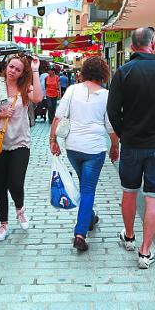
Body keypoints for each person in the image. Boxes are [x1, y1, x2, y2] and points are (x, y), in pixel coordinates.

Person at [107, 27, 155, 269]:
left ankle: (129, 237)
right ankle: (145, 252)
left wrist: (123, 134)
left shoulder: (123, 72)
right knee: (153, 199)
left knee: (129, 192)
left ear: (132, 47)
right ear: (153, 44)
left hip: (132, 144)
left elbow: (112, 111)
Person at [49, 57, 119, 252]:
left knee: (84, 185)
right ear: (104, 73)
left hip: (73, 147)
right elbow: (110, 126)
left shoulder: (72, 90)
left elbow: (57, 117)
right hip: (94, 149)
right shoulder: (106, 95)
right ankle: (80, 233)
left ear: (85, 71)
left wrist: (53, 141)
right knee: (88, 189)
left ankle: (90, 217)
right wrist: (115, 146)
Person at [0, 54, 43, 242]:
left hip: (20, 142)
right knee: (0, 184)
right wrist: (0, 115)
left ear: (21, 73)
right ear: (6, 66)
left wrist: (35, 70)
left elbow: (39, 98)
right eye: (11, 67)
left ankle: (20, 208)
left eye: (17, 69)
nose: (12, 71)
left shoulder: (25, 88)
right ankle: (3, 224)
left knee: (15, 182)